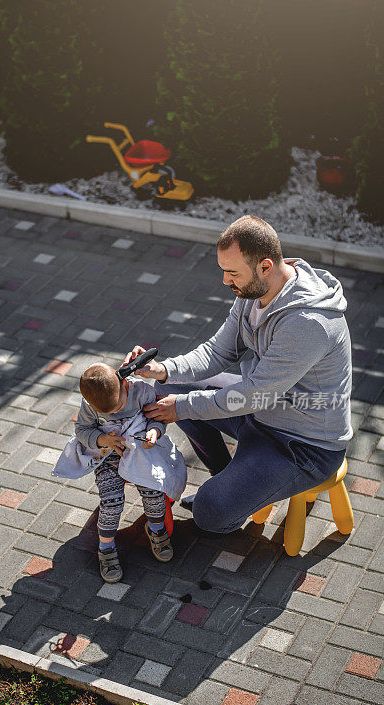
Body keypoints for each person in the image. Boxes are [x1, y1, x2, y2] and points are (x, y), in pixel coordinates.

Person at [123, 215, 352, 537]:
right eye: (223, 271)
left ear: (265, 266)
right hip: (259, 411)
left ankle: (231, 497)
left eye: (233, 273)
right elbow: (219, 352)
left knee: (210, 513)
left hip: (301, 445)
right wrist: (164, 369)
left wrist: (183, 407)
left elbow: (254, 394)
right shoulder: (254, 294)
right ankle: (230, 477)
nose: (226, 281)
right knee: (172, 385)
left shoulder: (309, 322)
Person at [52, 363, 187, 582]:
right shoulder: (90, 405)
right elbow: (83, 431)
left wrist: (154, 431)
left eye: (118, 406)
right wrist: (102, 439)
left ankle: (156, 529)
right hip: (108, 455)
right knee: (112, 501)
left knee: (153, 490)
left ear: (125, 384)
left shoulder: (141, 391)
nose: (115, 412)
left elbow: (157, 418)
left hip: (142, 450)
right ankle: (105, 547)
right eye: (108, 412)